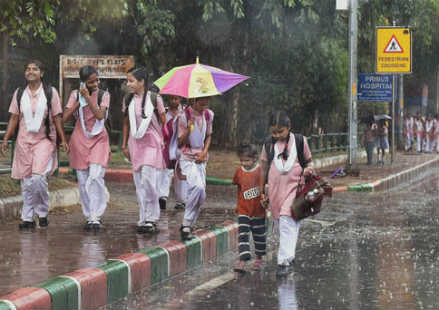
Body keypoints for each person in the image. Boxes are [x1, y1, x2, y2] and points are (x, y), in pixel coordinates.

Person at [0, 60, 68, 229]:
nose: (30, 71)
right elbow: (14, 117)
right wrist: (6, 138)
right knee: (27, 181)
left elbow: (57, 118)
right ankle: (27, 218)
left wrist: (63, 139)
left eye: (35, 69)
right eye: (28, 69)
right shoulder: (19, 93)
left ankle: (43, 211)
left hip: (44, 140)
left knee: (38, 178)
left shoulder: (50, 92)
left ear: (41, 73)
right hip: (23, 141)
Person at [259, 111, 313, 276]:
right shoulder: (268, 144)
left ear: (289, 128)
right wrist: (262, 191)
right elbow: (263, 168)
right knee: (283, 223)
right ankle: (289, 255)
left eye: (280, 131)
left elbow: (309, 160)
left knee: (286, 218)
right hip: (275, 190)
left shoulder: (299, 141)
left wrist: (309, 169)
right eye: (273, 132)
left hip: (295, 188)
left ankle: (283, 262)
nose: (276, 135)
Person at [63, 65, 111, 232]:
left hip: (99, 140)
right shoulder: (75, 95)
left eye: (97, 80)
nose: (95, 84)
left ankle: (96, 215)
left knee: (96, 176)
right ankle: (89, 215)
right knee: (83, 181)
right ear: (83, 82)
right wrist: (79, 101)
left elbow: (99, 115)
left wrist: (89, 99)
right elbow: (65, 118)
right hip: (80, 140)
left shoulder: (104, 95)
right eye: (91, 82)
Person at [121, 67, 167, 233]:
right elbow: (126, 123)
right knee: (139, 182)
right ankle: (143, 217)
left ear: (142, 82)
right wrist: (124, 145)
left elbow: (163, 122)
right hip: (136, 144)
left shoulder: (155, 99)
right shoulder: (128, 99)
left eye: (131, 81)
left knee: (148, 179)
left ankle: (152, 217)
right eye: (128, 81)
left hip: (152, 143)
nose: (129, 84)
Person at [177, 96, 214, 240]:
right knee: (197, 187)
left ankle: (188, 225)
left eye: (207, 100)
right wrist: (188, 128)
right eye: (201, 101)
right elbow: (180, 142)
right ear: (193, 100)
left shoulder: (208, 115)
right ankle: (186, 224)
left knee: (202, 195)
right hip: (187, 158)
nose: (204, 104)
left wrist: (204, 152)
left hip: (201, 159)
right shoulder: (184, 116)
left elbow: (209, 136)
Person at [232, 144, 266, 272]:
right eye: (241, 160)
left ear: (255, 159)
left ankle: (259, 258)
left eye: (247, 160)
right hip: (243, 210)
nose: (244, 163)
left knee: (259, 235)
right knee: (243, 234)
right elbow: (238, 187)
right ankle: (243, 259)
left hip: (258, 211)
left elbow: (265, 189)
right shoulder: (239, 172)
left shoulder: (260, 171)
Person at [158, 95, 187, 210]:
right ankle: (162, 197)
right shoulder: (163, 113)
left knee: (181, 172)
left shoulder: (185, 112)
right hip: (167, 145)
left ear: (180, 99)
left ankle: (181, 200)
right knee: (165, 171)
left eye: (176, 99)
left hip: (181, 146)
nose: (174, 101)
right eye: (171, 99)